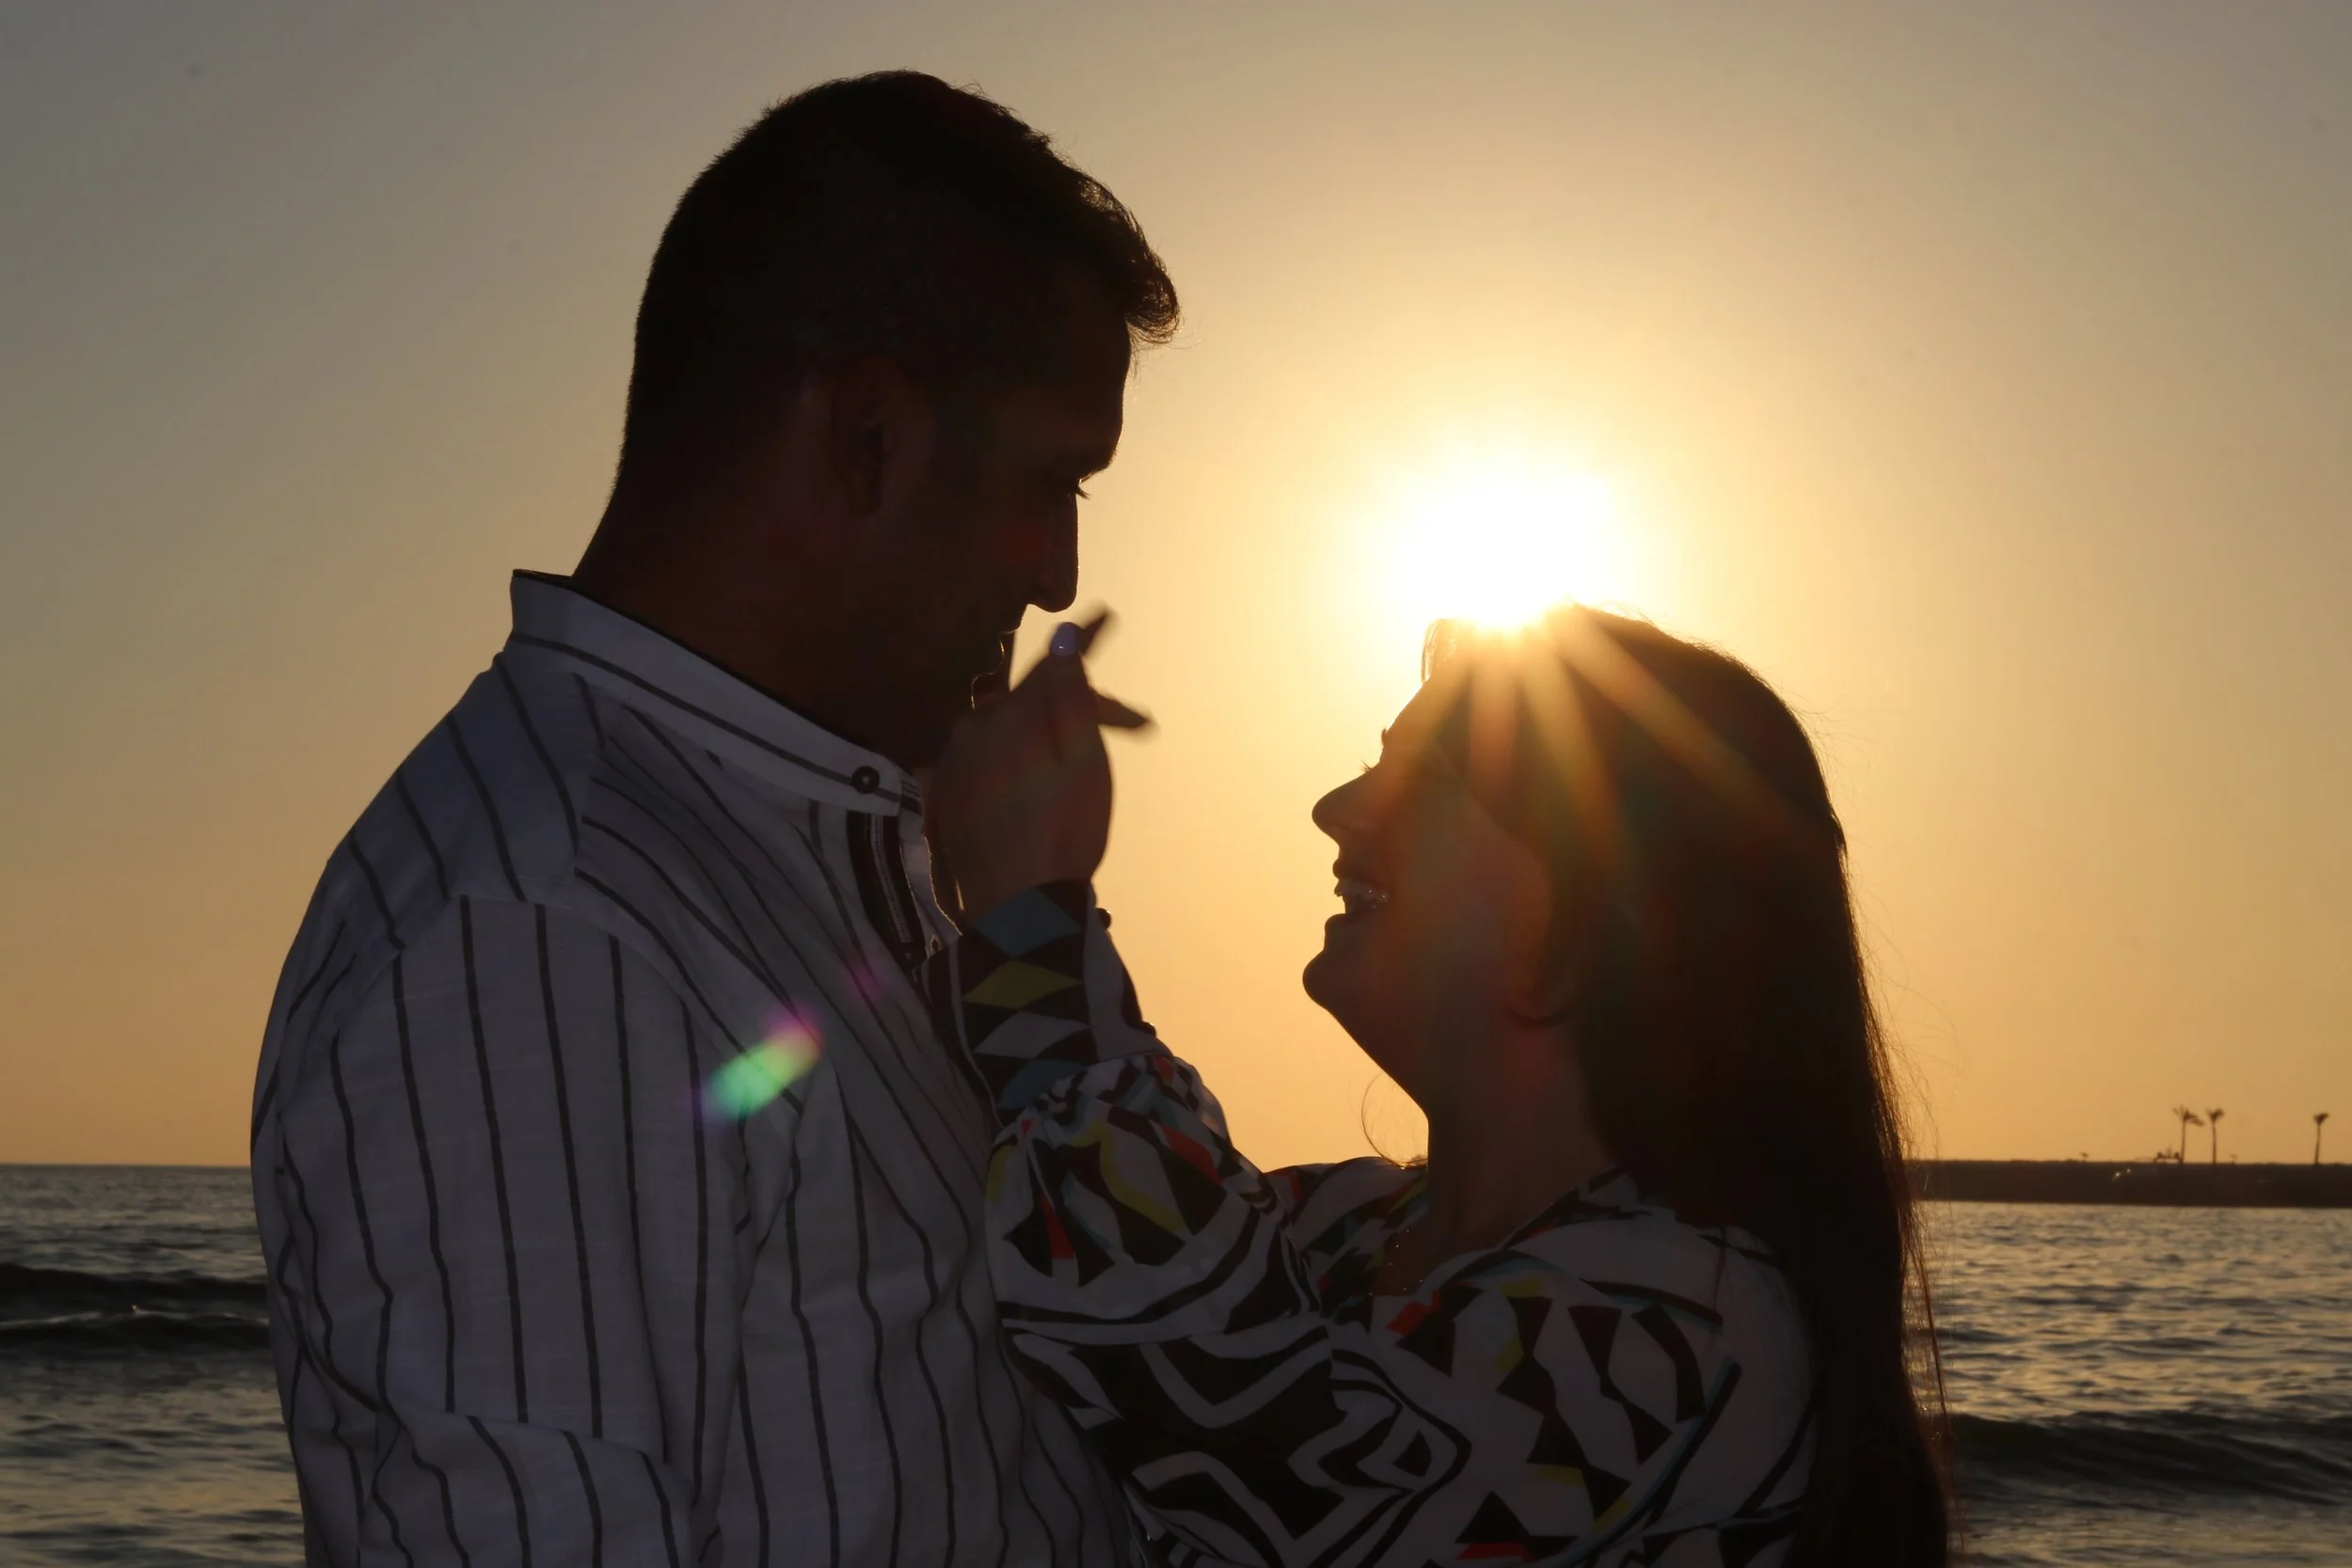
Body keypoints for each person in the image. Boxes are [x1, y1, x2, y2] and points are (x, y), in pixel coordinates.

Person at [250, 72, 1176, 1565]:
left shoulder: (807, 852)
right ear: (866, 435)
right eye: (1049, 479)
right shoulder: (545, 926)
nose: (1063, 573)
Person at [925, 607, 1954, 1566]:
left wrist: (1029, 922)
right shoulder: (1346, 1228)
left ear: (1600, 908)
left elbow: (1266, 1444)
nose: (1335, 809)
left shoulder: (1693, 1320)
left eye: (1419, 782)